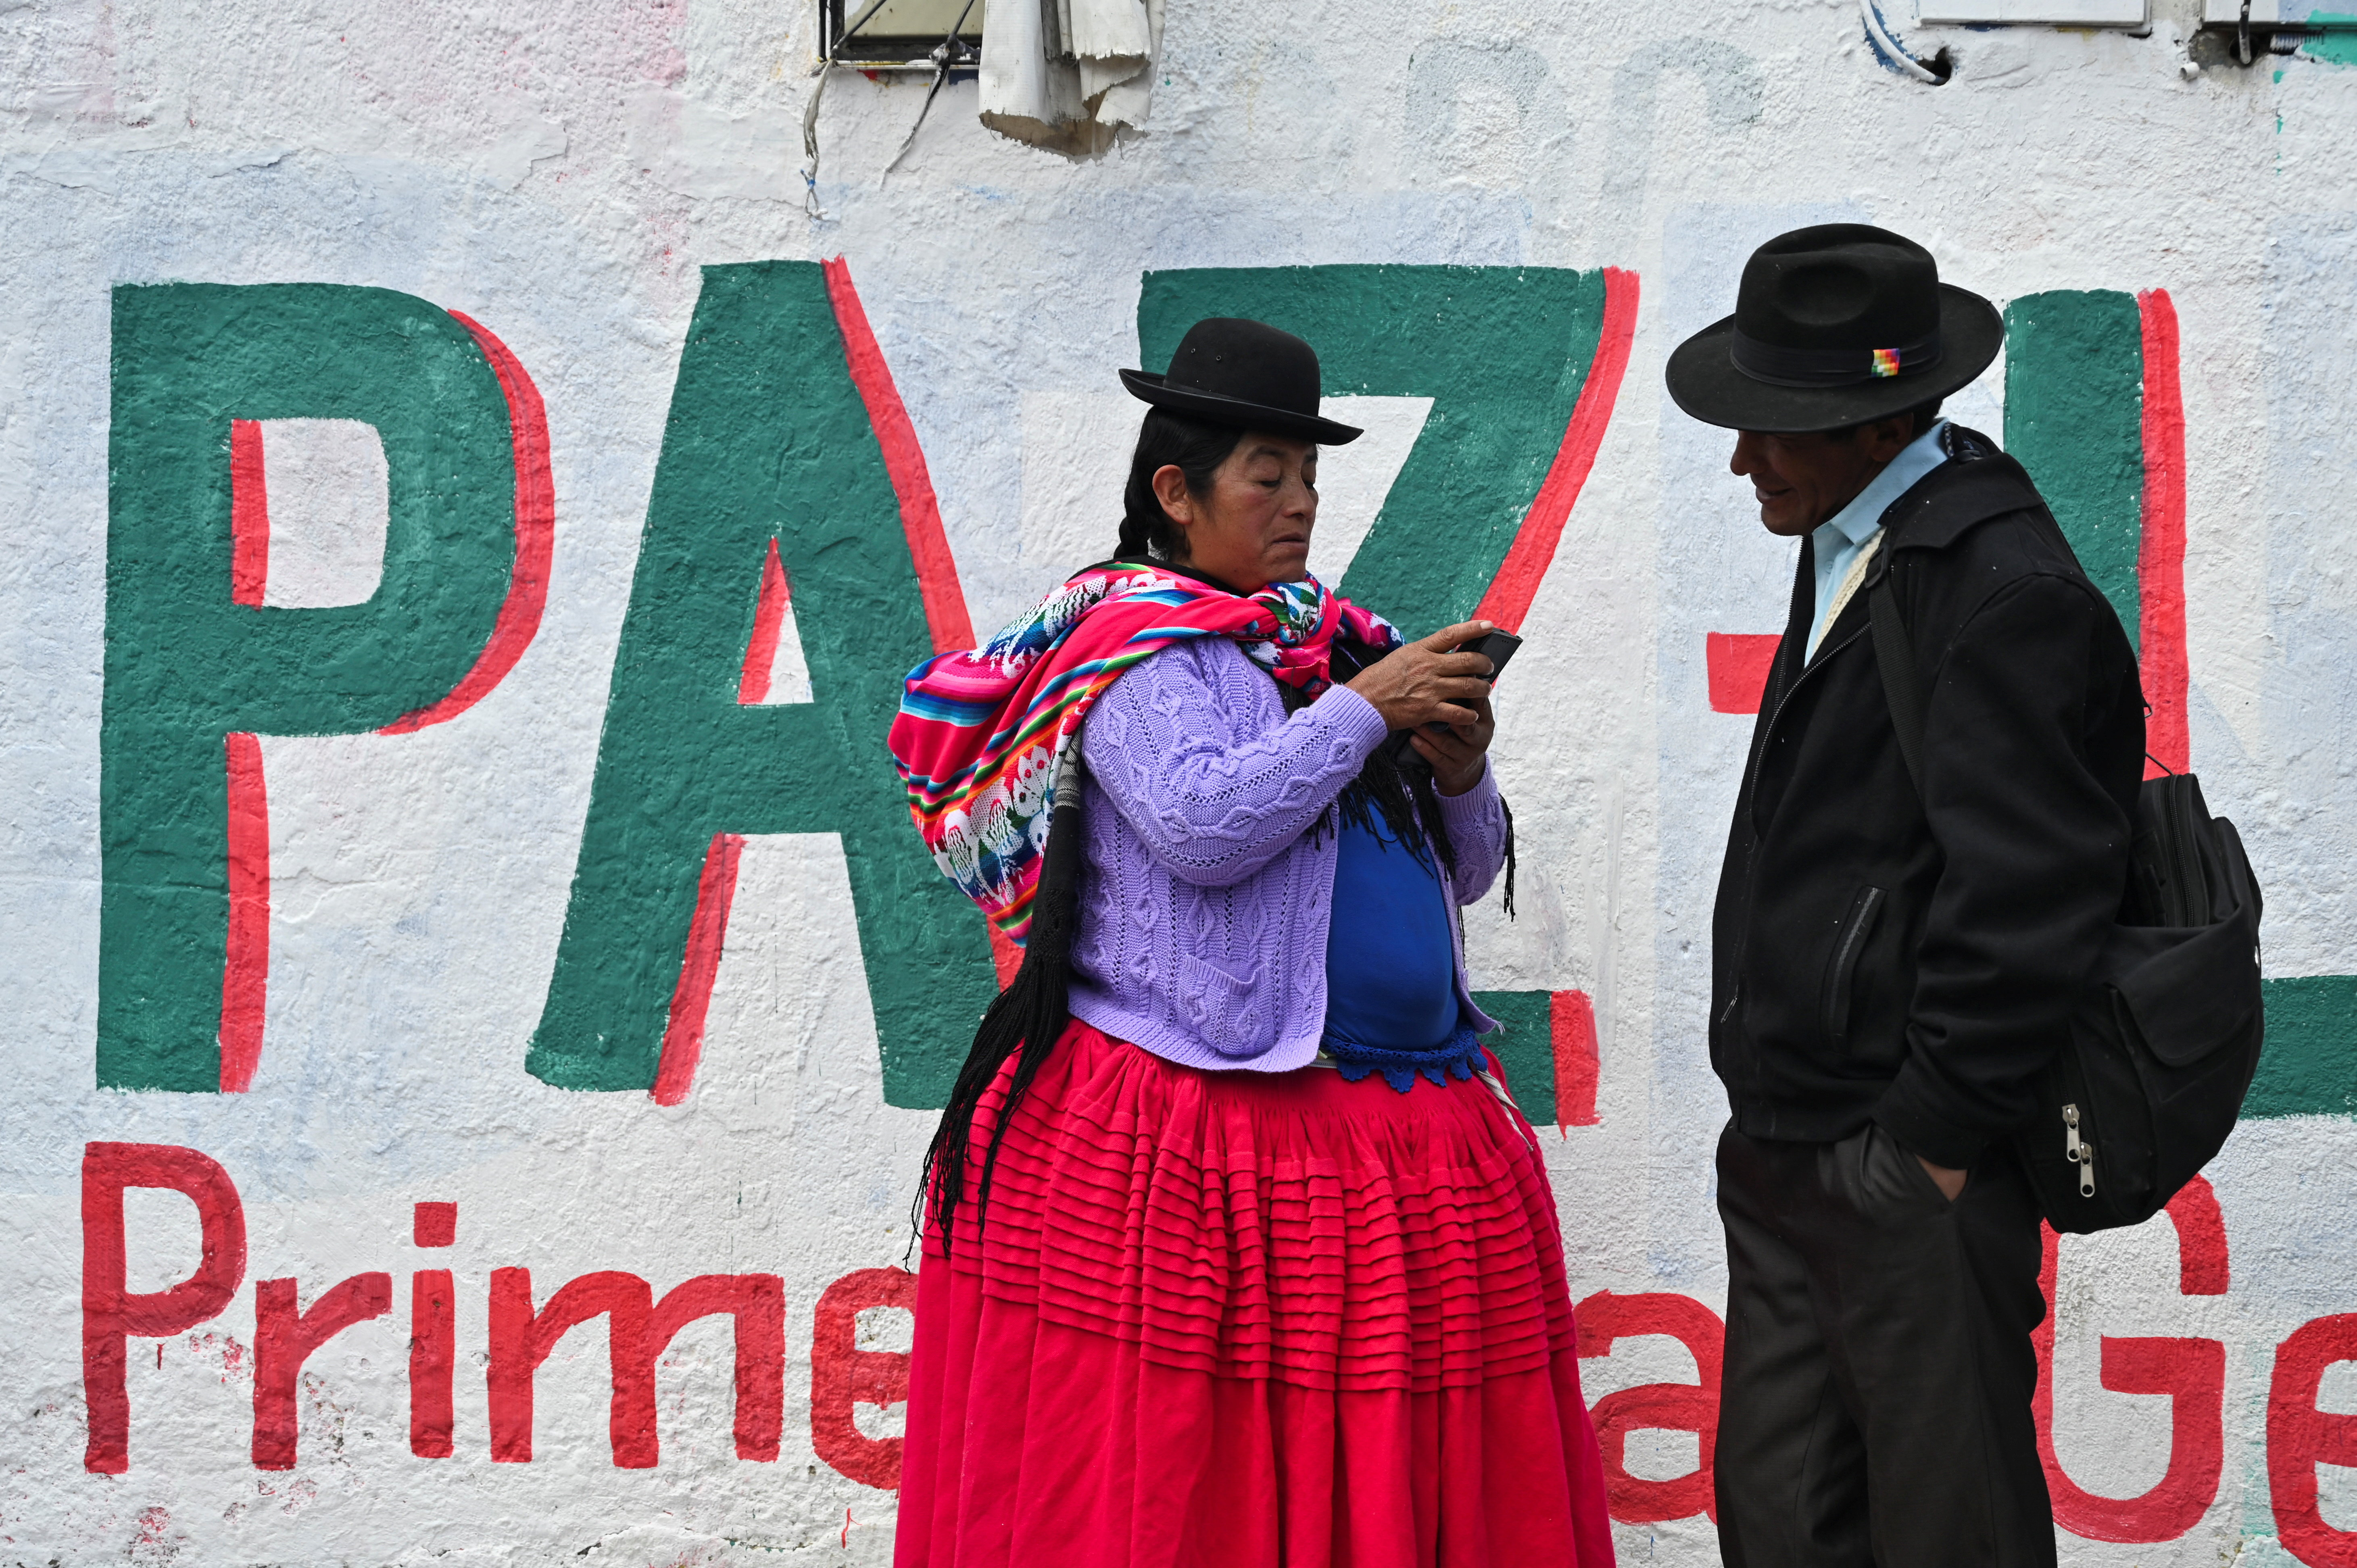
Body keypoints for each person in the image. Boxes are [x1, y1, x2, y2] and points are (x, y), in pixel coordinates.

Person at [887, 317, 1616, 1567]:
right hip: (1196, 1117)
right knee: (1194, 1473)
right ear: (1175, 492)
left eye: (1310, 479)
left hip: (1400, 1103)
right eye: (1264, 478)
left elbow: (1471, 868)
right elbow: (1202, 827)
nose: (1297, 505)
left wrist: (1456, 769)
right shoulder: (1130, 650)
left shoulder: (1326, 642)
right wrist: (1358, 712)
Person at [1665, 225, 2146, 1566]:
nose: (1742, 457)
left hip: (1903, 1166)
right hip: (1787, 1148)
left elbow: (2034, 893)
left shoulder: (1999, 589)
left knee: (1947, 1537)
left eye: (1773, 427)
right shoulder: (1856, 538)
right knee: (1779, 1526)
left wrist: (1924, 1149)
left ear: (1876, 429)